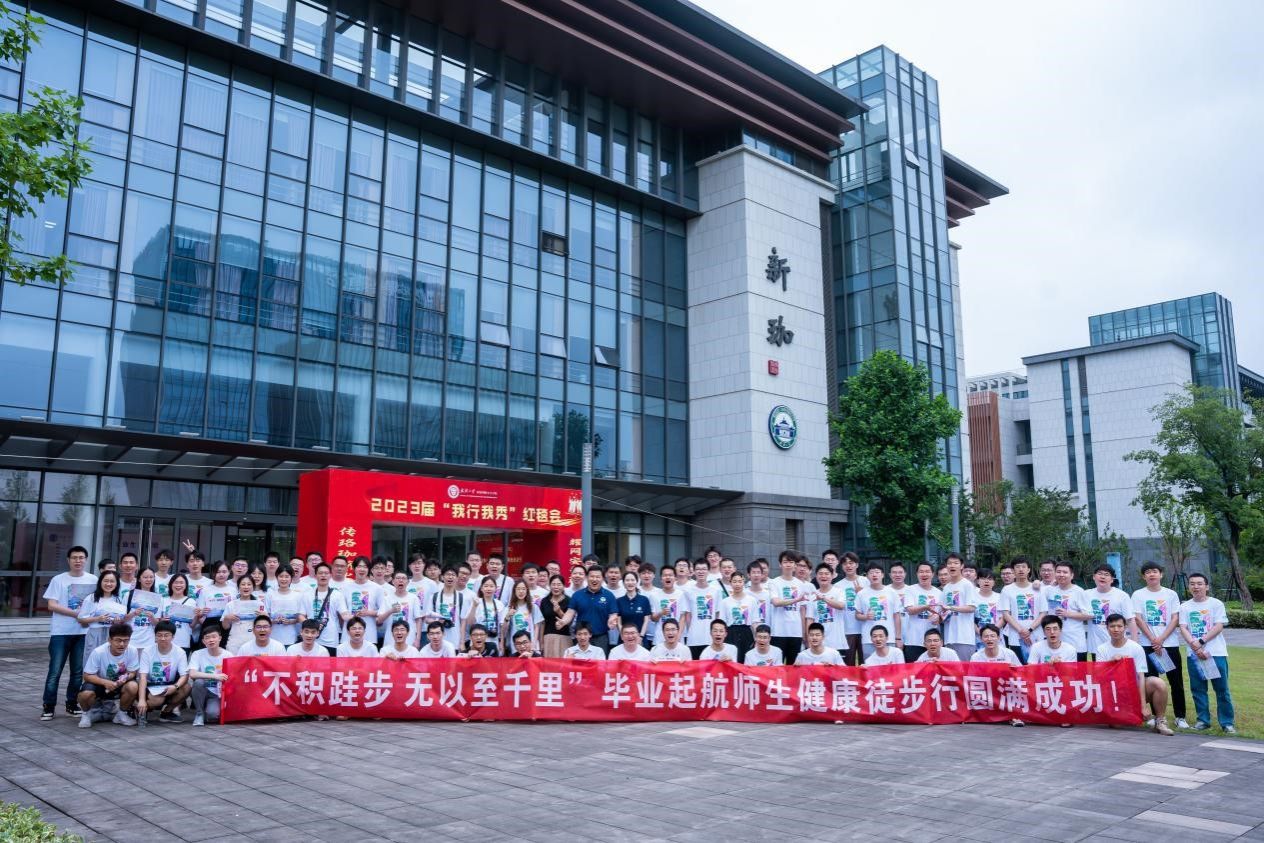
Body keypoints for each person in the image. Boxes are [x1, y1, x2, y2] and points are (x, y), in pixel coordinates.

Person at [1095, 613, 1174, 736]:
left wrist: (1143, 706)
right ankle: (1130, 714)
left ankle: (1160, 721)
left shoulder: (1136, 647)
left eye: (1119, 626)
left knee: (1158, 683)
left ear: (1125, 627)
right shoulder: (1101, 649)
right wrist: (1111, 662)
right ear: (1107, 628)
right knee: (1116, 725)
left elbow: (1140, 677)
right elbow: (1100, 676)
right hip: (1114, 693)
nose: (1116, 629)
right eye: (1112, 626)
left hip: (1133, 690)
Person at [1132, 561, 1189, 729]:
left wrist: (1161, 639)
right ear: (1143, 576)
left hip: (1169, 645)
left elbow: (1175, 618)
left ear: (1161, 574)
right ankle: (1156, 716)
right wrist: (1153, 639)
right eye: (1148, 572)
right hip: (1147, 645)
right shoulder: (1138, 594)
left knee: (1176, 681)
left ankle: (1180, 716)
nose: (1151, 574)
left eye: (1154, 571)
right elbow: (1138, 619)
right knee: (1150, 682)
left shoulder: (1170, 594)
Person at [1180, 572, 1235, 733]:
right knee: (1198, 689)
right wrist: (1196, 647)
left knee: (1221, 689)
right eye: (1192, 584)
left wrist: (1201, 641)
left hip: (1216, 653)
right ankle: (1203, 720)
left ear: (1207, 586)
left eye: (1199, 583)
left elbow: (1219, 626)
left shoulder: (1216, 604)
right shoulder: (1185, 606)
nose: (1196, 587)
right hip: (1194, 654)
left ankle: (1227, 722)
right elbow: (1183, 627)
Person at [77, 622, 140, 728]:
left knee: (133, 686)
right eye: (118, 640)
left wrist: (126, 677)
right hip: (100, 684)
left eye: (126, 640)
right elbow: (87, 675)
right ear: (110, 640)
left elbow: (132, 672)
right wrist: (105, 682)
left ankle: (121, 714)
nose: (122, 644)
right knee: (86, 694)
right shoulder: (98, 652)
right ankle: (86, 714)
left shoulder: (132, 650)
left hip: (119, 684)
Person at [136, 620, 190, 726]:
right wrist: (142, 700)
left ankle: (166, 712)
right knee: (157, 701)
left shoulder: (180, 652)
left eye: (166, 635)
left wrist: (175, 686)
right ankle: (139, 709)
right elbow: (143, 677)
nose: (163, 638)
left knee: (187, 687)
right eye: (159, 635)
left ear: (173, 637)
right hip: (151, 686)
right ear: (155, 636)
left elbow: (184, 675)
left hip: (170, 685)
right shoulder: (147, 651)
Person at [768, 551, 809, 664]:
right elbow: (776, 602)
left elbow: (802, 610)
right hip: (778, 632)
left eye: (791, 562)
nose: (788, 565)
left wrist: (803, 632)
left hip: (795, 632)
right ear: (780, 564)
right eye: (785, 562)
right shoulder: (774, 582)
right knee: (777, 666)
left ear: (795, 565)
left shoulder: (800, 584)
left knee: (794, 666)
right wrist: (796, 600)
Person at [78, 570, 132, 655]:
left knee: (109, 658)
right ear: (100, 582)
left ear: (116, 584)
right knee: (92, 658)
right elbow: (81, 619)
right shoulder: (91, 598)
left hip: (112, 635)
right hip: (95, 634)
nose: (109, 584)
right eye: (106, 581)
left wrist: (117, 622)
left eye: (112, 581)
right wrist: (97, 619)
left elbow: (122, 620)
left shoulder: (118, 599)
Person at [1001, 556, 1043, 664]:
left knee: (1037, 668)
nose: (1021, 569)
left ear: (1028, 570)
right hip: (1015, 637)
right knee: (1019, 668)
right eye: (1017, 567)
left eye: (1023, 567)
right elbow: (1006, 613)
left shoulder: (1038, 588)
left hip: (1037, 636)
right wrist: (1021, 630)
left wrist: (1029, 630)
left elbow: (1043, 613)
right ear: (1013, 570)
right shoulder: (1007, 590)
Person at [1085, 563, 1136, 654]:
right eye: (1100, 574)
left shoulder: (1122, 596)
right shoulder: (1086, 595)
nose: (1102, 577)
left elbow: (1131, 620)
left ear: (1112, 579)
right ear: (1094, 577)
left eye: (1106, 574)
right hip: (1095, 647)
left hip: (1117, 647)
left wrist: (1135, 644)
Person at [854, 563, 901, 659]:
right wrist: (866, 616)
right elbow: (857, 615)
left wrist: (898, 638)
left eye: (877, 572)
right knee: (870, 666)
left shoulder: (892, 592)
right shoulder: (861, 594)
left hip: (889, 638)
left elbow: (897, 616)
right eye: (871, 573)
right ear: (867, 576)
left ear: (882, 575)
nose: (874, 575)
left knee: (890, 665)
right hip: (868, 639)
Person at [568, 566, 618, 653]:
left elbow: (613, 614)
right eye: (592, 576)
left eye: (598, 577)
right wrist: (563, 621)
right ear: (586, 578)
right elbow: (570, 612)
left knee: (600, 660)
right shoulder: (577, 595)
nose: (594, 579)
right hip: (582, 636)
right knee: (580, 660)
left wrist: (612, 620)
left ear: (603, 579)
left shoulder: (609, 595)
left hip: (601, 637)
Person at [938, 554, 978, 662]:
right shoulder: (946, 587)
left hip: (964, 637)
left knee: (964, 669)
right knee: (951, 669)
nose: (952, 566)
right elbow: (942, 610)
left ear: (961, 566)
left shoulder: (967, 585)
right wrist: (937, 616)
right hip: (949, 636)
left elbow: (971, 607)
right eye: (949, 563)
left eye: (956, 563)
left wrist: (951, 608)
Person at [902, 562, 944, 663]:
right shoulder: (910, 590)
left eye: (927, 571)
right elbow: (910, 610)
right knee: (914, 669)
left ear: (932, 574)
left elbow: (942, 615)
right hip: (913, 640)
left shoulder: (939, 593)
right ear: (917, 574)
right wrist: (926, 607)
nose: (924, 574)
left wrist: (939, 619)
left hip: (933, 642)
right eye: (921, 572)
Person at [188, 624, 229, 726]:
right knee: (198, 682)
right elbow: (192, 674)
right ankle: (199, 714)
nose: (211, 640)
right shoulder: (197, 654)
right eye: (207, 638)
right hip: (203, 689)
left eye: (214, 637)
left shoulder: (228, 655)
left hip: (217, 693)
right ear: (203, 641)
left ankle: (208, 709)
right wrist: (215, 676)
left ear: (220, 638)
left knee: (213, 715)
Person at [307, 562, 351, 655]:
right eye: (320, 573)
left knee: (330, 663)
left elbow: (344, 614)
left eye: (326, 573)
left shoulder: (337, 594)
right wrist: (311, 626)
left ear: (330, 575)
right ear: (315, 576)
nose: (323, 575)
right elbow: (301, 615)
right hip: (311, 637)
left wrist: (353, 616)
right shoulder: (307, 594)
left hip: (331, 639)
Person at [424, 565, 468, 650]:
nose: (450, 577)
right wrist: (438, 621)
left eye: (453, 575)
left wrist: (462, 642)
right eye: (448, 574)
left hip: (455, 640)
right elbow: (426, 619)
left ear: (457, 578)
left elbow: (463, 622)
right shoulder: (434, 597)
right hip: (437, 641)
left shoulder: (461, 597)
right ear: (442, 577)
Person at [718, 570, 758, 662]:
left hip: (746, 633)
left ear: (744, 582)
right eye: (734, 581)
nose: (737, 584)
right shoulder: (725, 602)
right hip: (731, 633)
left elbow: (755, 622)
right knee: (732, 660)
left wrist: (756, 639)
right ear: (730, 583)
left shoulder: (751, 600)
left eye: (740, 581)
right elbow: (722, 623)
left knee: (746, 660)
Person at [379, 571, 423, 649]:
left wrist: (418, 639)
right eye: (398, 578)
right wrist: (391, 611)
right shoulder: (387, 598)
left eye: (403, 578)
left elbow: (418, 620)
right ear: (393, 581)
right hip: (391, 639)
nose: (401, 580)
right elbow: (379, 620)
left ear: (408, 582)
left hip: (409, 639)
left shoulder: (413, 598)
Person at [221, 575, 263, 654]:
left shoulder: (259, 604)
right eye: (243, 584)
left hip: (254, 640)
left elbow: (265, 624)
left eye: (249, 584)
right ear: (238, 587)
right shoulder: (231, 605)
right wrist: (227, 618)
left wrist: (264, 616)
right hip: (235, 641)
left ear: (253, 587)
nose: (246, 587)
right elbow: (225, 627)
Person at [343, 557, 381, 645]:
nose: (362, 569)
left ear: (369, 570)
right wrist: (351, 615)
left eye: (365, 567)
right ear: (354, 568)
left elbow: (383, 611)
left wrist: (369, 613)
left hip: (369, 635)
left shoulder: (377, 588)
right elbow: (341, 612)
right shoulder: (345, 588)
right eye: (359, 566)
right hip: (348, 635)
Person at [264, 567, 305, 647]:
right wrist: (274, 621)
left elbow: (301, 617)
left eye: (287, 576)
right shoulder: (270, 595)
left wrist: (290, 622)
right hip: (273, 636)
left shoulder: (298, 595)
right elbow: (266, 615)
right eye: (281, 576)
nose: (283, 579)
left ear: (291, 578)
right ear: (277, 577)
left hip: (291, 637)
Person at [837, 552, 866, 665]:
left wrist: (861, 594)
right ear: (842, 566)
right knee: (848, 664)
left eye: (851, 563)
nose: (848, 566)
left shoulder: (866, 581)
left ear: (857, 565)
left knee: (866, 663)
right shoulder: (838, 586)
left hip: (865, 629)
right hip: (847, 629)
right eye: (845, 563)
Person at [194, 561, 236, 634]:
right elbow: (199, 613)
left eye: (224, 572)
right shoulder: (205, 590)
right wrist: (202, 613)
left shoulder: (234, 590)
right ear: (213, 573)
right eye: (218, 572)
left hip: (228, 627)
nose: (221, 574)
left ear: (229, 572)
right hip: (209, 628)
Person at [504, 579, 544, 654]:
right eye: (518, 589)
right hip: (516, 645)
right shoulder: (509, 608)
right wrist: (507, 616)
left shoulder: (533, 607)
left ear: (527, 591)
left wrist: (534, 643)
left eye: (523, 589)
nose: (521, 591)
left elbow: (536, 627)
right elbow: (504, 630)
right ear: (514, 591)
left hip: (531, 644)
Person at [467, 575, 507, 647]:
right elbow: (470, 623)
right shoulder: (476, 602)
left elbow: (501, 626)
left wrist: (501, 643)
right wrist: (474, 607)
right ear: (481, 588)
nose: (488, 589)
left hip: (494, 641)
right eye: (486, 586)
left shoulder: (499, 604)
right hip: (477, 641)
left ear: (496, 588)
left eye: (491, 586)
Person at [162, 573, 196, 653]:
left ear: (186, 585)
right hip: (165, 640)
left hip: (183, 641)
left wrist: (197, 616)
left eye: (181, 583)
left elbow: (192, 625)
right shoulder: (163, 600)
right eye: (176, 582)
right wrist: (162, 620)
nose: (178, 585)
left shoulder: (191, 602)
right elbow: (158, 621)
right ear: (171, 584)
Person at [539, 575, 572, 658]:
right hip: (548, 637)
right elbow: (542, 623)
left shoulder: (569, 601)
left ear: (563, 586)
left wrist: (559, 611)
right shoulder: (544, 601)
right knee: (549, 663)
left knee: (564, 663)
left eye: (559, 584)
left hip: (564, 637)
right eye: (553, 584)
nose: (556, 587)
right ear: (549, 586)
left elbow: (569, 622)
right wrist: (541, 642)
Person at [616, 571, 653, 644]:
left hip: (640, 639)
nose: (630, 582)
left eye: (632, 580)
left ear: (637, 582)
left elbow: (646, 621)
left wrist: (641, 636)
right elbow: (618, 623)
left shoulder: (644, 599)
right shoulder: (619, 601)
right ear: (623, 583)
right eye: (627, 580)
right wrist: (624, 636)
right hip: (624, 639)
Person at [973, 569, 1004, 647]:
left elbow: (1004, 617)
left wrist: (992, 632)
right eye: (983, 578)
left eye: (990, 579)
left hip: (996, 637)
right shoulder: (972, 598)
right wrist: (981, 632)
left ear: (994, 582)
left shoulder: (1000, 597)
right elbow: (970, 619)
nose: (986, 581)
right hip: (978, 639)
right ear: (977, 581)